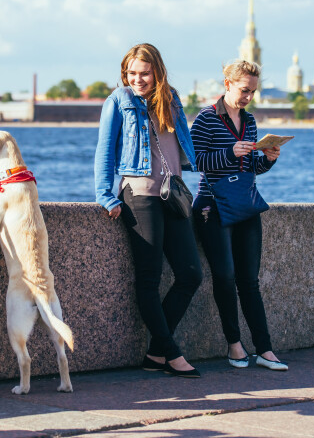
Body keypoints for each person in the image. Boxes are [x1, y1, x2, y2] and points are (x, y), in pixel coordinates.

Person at [95, 43, 203, 378]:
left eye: (144, 73)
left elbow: (183, 144)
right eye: (131, 73)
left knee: (190, 274)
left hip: (173, 194)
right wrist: (105, 196)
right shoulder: (118, 101)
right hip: (139, 194)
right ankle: (170, 353)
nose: (138, 79)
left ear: (157, 70)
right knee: (149, 278)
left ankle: (157, 351)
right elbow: (104, 150)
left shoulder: (171, 99)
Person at [190, 59, 287, 371]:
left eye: (253, 92)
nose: (248, 97)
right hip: (212, 205)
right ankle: (234, 345)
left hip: (244, 203)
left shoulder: (251, 121)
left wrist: (268, 159)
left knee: (249, 280)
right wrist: (229, 152)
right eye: (244, 90)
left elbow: (249, 168)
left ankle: (265, 349)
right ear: (228, 84)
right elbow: (195, 162)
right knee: (225, 276)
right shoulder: (206, 119)